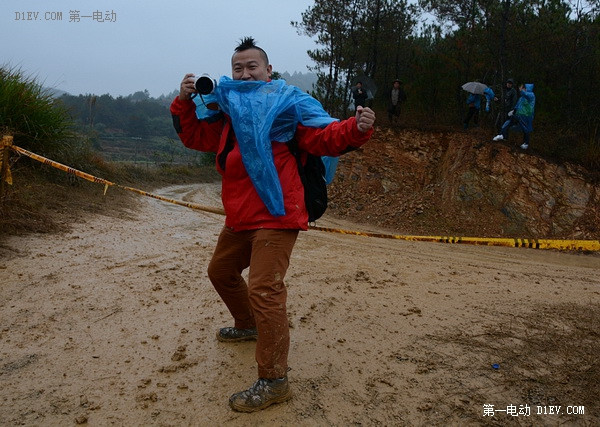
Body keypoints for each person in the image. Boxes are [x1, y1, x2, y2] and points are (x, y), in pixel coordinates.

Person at [169, 37, 376, 412]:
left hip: (277, 213)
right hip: (241, 214)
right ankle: (247, 324)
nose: (245, 73)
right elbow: (197, 137)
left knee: (265, 289)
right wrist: (184, 104)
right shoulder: (228, 111)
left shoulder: (287, 105)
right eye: (238, 68)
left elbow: (324, 136)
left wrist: (356, 128)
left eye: (252, 66)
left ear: (268, 70)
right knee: (221, 271)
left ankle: (274, 380)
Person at [492, 83, 535, 149]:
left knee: (525, 129)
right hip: (518, 115)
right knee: (508, 122)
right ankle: (501, 134)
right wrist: (513, 111)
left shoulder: (531, 95)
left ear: (526, 89)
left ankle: (526, 143)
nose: (522, 89)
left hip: (526, 116)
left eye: (523, 88)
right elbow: (517, 105)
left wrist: (521, 90)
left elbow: (526, 95)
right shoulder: (521, 98)